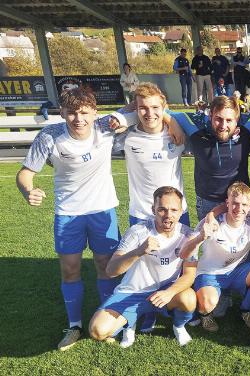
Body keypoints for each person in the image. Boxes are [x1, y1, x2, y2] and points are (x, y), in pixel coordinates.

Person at [17, 88, 123, 350]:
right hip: (68, 213)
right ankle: (74, 325)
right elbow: (25, 174)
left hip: (103, 209)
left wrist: (127, 119)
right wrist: (28, 191)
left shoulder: (106, 127)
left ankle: (105, 319)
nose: (79, 118)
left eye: (84, 112)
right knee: (70, 269)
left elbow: (140, 107)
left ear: (94, 112)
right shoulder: (50, 136)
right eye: (72, 112)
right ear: (62, 112)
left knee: (105, 266)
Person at [88, 187, 196, 348]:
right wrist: (138, 252)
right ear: (153, 210)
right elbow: (111, 271)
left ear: (181, 211)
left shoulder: (188, 235)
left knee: (188, 298)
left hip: (164, 291)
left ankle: (178, 326)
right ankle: (129, 323)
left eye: (174, 210)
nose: (168, 215)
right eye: (162, 209)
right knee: (97, 331)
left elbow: (189, 275)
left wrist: (170, 292)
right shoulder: (137, 232)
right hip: (133, 292)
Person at [180, 182, 250, 332]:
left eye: (244, 205)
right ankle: (205, 315)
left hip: (237, 270)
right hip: (210, 273)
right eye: (235, 203)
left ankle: (245, 311)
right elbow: (184, 253)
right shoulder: (211, 223)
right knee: (208, 304)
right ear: (227, 203)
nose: (239, 209)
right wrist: (201, 237)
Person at [112, 83, 190, 227]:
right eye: (143, 108)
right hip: (141, 215)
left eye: (155, 107)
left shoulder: (179, 132)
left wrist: (170, 119)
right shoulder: (127, 136)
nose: (149, 113)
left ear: (164, 107)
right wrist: (128, 111)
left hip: (177, 213)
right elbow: (106, 124)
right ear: (135, 109)